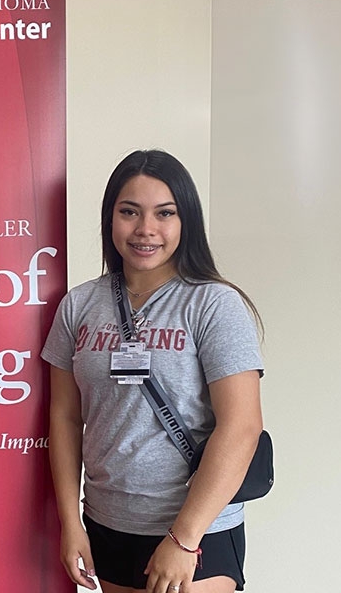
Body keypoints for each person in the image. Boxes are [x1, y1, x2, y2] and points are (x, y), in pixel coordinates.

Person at [43, 149, 264, 593]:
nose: (146, 230)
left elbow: (242, 427)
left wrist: (184, 539)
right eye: (130, 212)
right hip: (108, 523)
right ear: (111, 219)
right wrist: (72, 523)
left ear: (186, 223)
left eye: (165, 213)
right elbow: (65, 418)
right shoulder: (79, 305)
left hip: (196, 530)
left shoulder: (213, 304)